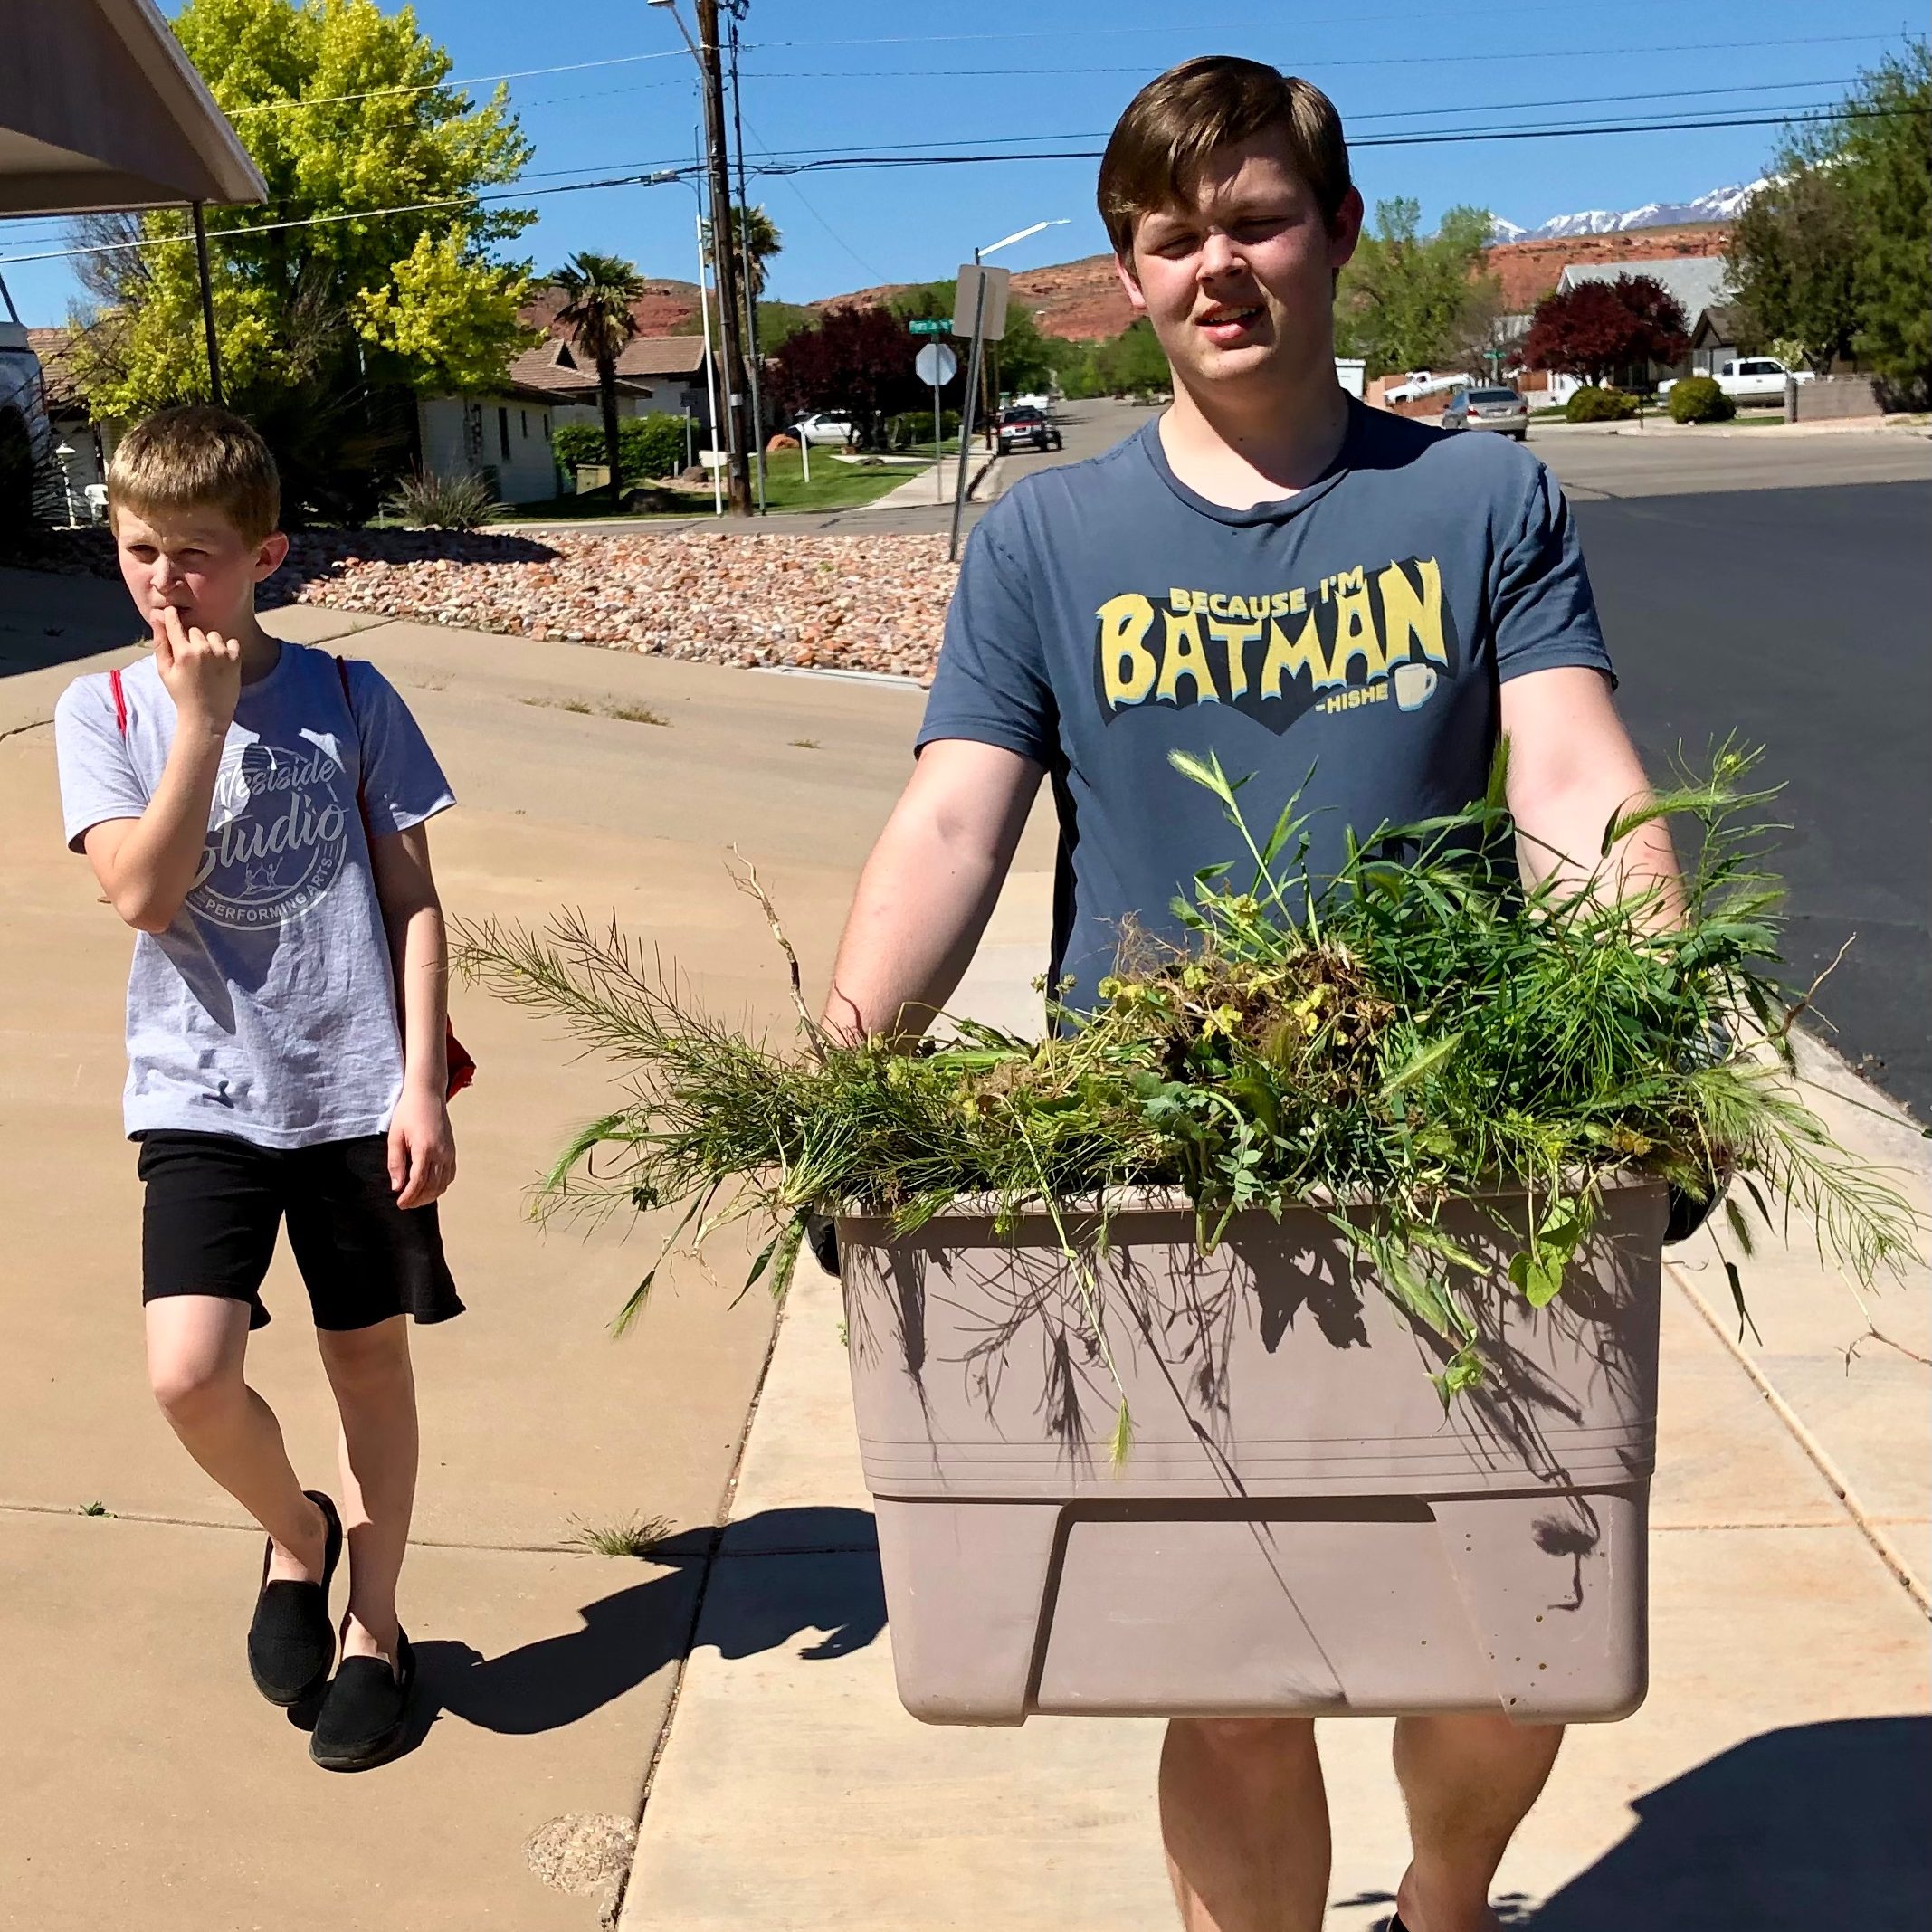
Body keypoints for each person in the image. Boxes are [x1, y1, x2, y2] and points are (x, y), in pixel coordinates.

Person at [821, 55, 1680, 1932]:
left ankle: (1446, 1894)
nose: (1217, 263)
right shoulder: (1047, 542)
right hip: (1156, 1170)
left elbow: (1566, 775)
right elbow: (956, 820)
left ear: (1339, 232)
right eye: (1168, 235)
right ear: (1128, 278)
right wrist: (844, 1067)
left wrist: (1646, 1011)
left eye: (1256, 218)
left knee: (1501, 1650)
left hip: (1451, 1137)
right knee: (1225, 1676)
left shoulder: (1479, 499)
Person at [53, 406, 462, 1774]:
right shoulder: (99, 708)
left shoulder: (352, 699)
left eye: (201, 556)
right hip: (201, 1091)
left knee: (367, 1360)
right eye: (141, 551)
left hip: (352, 1091)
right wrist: (199, 724)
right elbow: (141, 891)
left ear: (269, 555)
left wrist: (423, 1086)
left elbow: (411, 897)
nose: (169, 583)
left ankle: (378, 1629)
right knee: (188, 1374)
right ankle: (298, 1533)